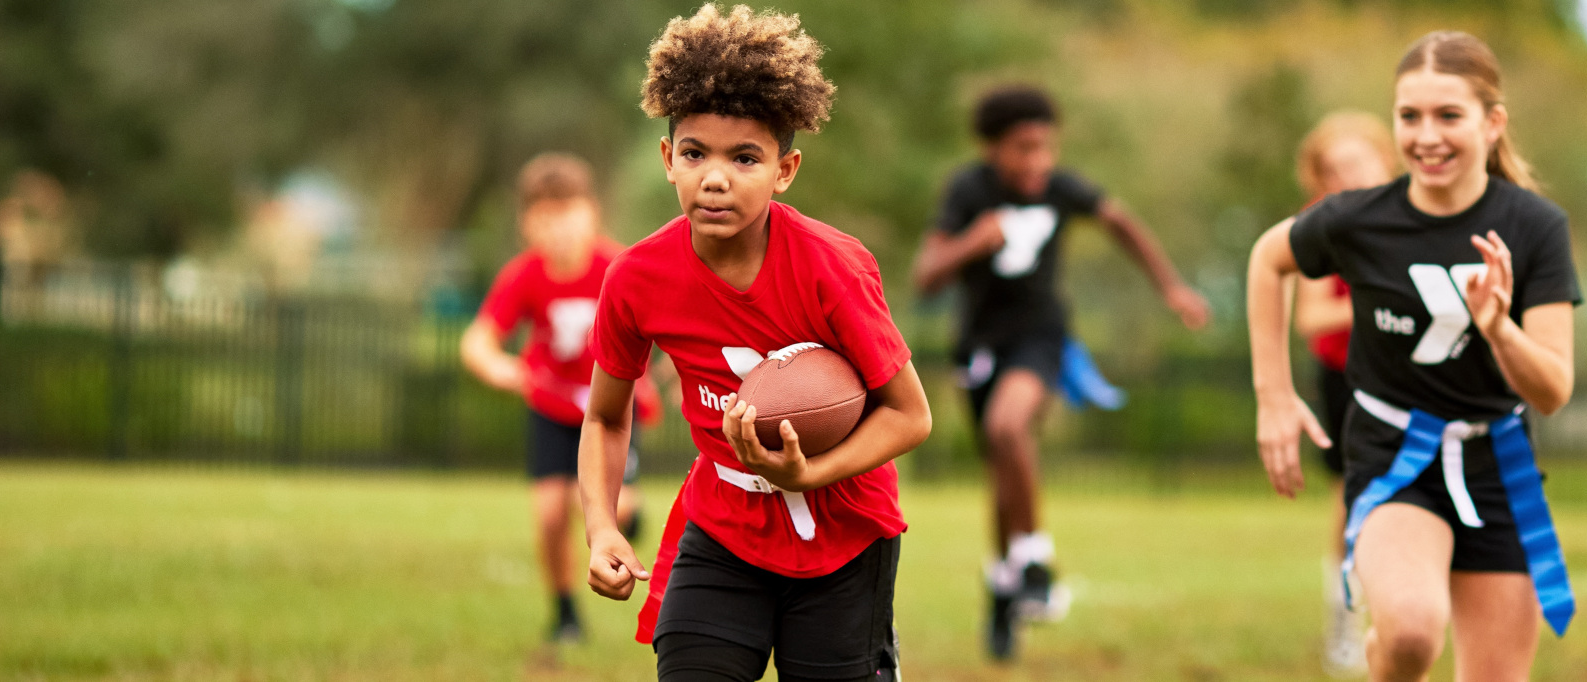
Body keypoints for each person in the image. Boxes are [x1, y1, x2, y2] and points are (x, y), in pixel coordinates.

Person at [578, 5, 932, 681]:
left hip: (844, 536)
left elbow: (910, 415)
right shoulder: (636, 277)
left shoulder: (833, 267)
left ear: (785, 169)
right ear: (667, 160)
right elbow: (604, 413)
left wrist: (808, 473)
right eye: (695, 154)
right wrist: (602, 526)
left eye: (745, 158)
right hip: (722, 528)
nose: (716, 178)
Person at [1245, 31, 1582, 682]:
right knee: (1409, 634)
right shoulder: (1357, 219)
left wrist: (1500, 330)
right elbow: (1268, 258)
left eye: (1448, 115)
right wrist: (1274, 398)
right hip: (1394, 456)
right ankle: (1381, 655)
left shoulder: (1536, 227)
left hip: (1497, 465)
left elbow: (1553, 390)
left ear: (1492, 123)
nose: (1426, 136)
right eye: (1410, 116)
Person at [909, 84, 1211, 661]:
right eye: (1023, 148)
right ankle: (1006, 585)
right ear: (992, 148)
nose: (1038, 162)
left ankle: (1036, 561)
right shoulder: (968, 190)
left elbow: (1122, 223)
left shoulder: (1062, 189)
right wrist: (974, 241)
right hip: (979, 348)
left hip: (1042, 339)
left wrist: (1171, 286)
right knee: (1004, 472)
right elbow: (925, 275)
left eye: (1046, 148)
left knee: (1008, 429)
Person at [460, 151, 665, 644]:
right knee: (552, 513)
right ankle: (565, 613)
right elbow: (477, 341)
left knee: (610, 511)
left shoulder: (619, 266)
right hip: (551, 410)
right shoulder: (524, 276)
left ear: (592, 212)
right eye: (545, 217)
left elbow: (664, 326)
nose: (559, 229)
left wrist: (660, 377)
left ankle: (630, 519)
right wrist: (499, 367)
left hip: (613, 407)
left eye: (568, 213)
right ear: (526, 223)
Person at [1289, 111, 1400, 677]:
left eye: (1356, 162)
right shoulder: (1320, 228)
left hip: (1413, 374)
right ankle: (1345, 614)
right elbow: (1311, 316)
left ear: (1387, 157)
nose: (1347, 177)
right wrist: (1387, 298)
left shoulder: (1420, 215)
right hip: (1348, 377)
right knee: (1352, 496)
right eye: (1333, 171)